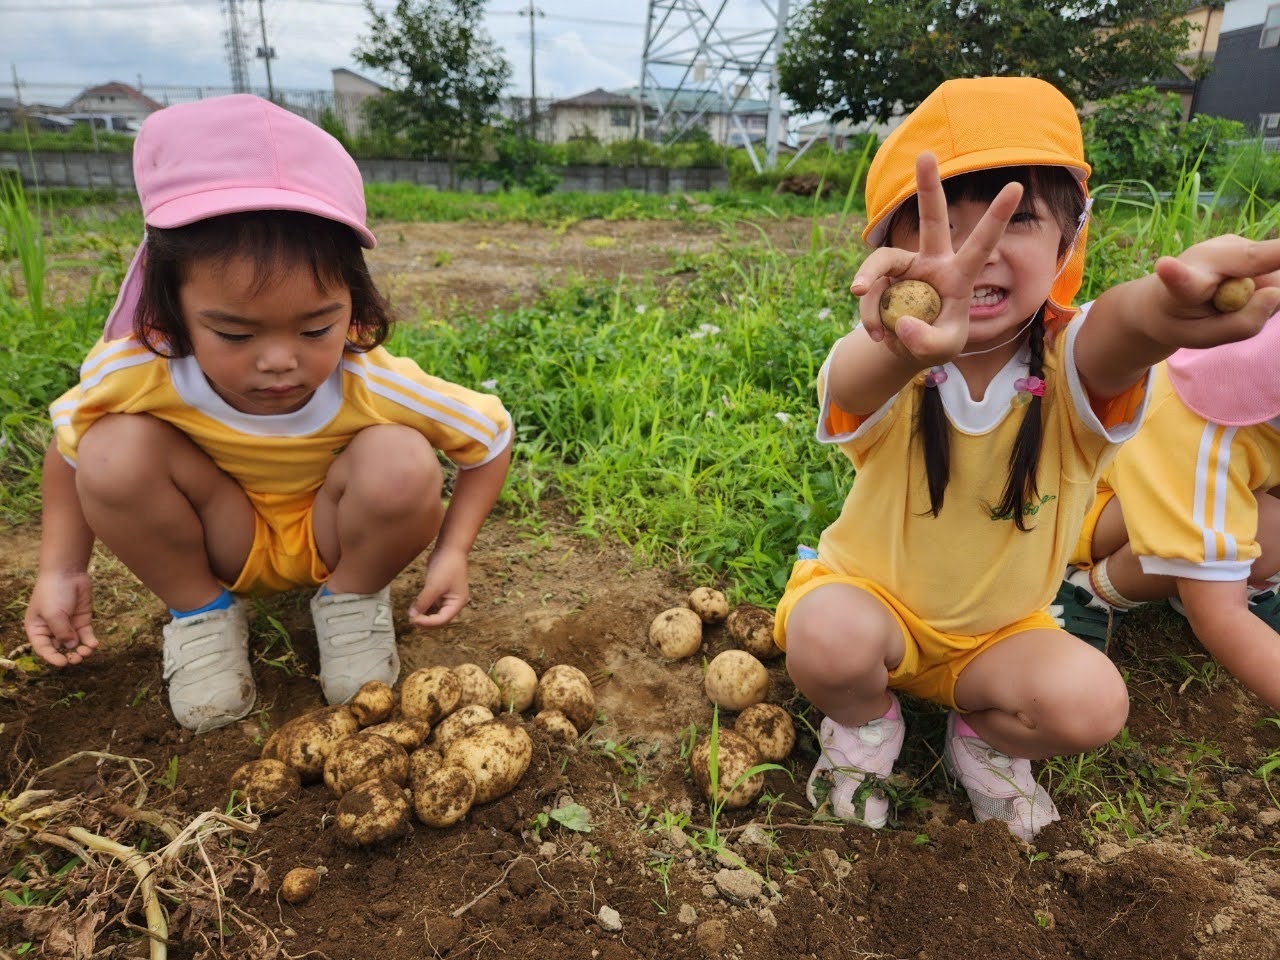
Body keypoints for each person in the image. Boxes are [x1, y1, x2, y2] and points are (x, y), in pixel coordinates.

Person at [772, 76, 1280, 841]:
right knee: (823, 635)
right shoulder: (881, 361)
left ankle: (986, 742)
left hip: (999, 642)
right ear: (886, 256)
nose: (976, 252)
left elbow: (1124, 327)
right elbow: (851, 375)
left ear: (1071, 241)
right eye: (943, 224)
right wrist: (900, 346)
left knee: (1092, 703)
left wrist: (1167, 311)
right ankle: (864, 724)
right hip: (874, 613)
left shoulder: (1074, 364)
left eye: (1017, 219)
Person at [23, 95, 513, 733]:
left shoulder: (371, 378)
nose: (280, 362)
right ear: (170, 309)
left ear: (354, 303)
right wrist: (61, 570)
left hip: (334, 535)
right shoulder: (139, 372)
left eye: (316, 328)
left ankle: (350, 600)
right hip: (220, 537)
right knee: (111, 451)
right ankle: (200, 613)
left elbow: (490, 436)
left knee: (401, 459)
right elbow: (69, 451)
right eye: (234, 335)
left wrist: (454, 551)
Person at [1058, 311, 1280, 710]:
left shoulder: (1259, 351)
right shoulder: (1211, 438)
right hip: (1071, 501)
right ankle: (1092, 592)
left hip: (1142, 467)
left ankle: (1220, 571)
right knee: (1267, 536)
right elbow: (1220, 618)